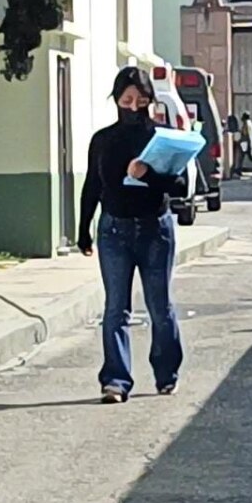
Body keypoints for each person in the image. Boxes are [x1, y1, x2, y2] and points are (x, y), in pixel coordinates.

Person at [78, 67, 187, 404]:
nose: (134, 108)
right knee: (115, 309)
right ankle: (115, 380)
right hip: (113, 229)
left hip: (155, 229)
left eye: (141, 101)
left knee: (160, 306)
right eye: (127, 101)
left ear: (150, 101)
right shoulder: (103, 139)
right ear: (116, 100)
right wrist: (83, 229)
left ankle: (166, 374)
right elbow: (92, 187)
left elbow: (180, 186)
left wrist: (149, 174)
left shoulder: (163, 137)